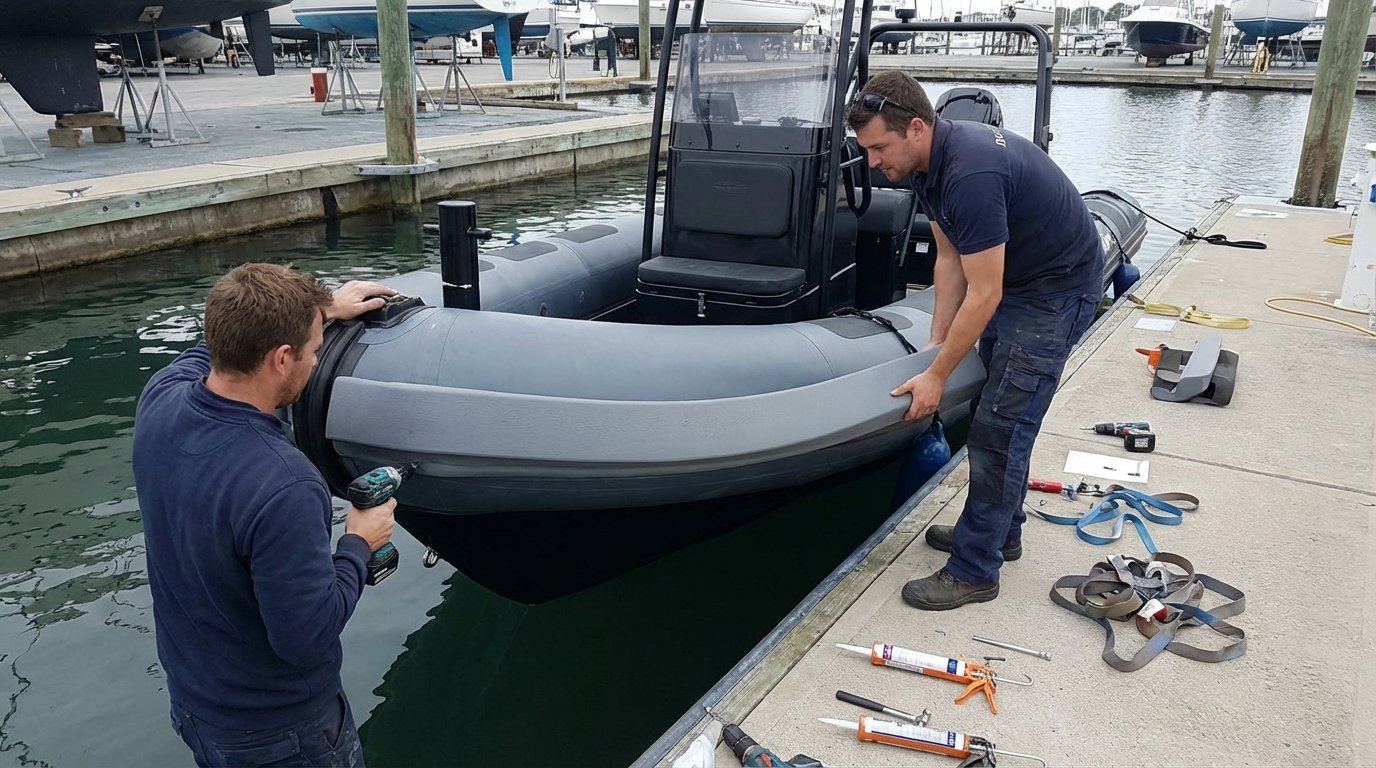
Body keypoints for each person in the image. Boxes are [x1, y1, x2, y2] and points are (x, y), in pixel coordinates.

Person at [846, 71, 1103, 611]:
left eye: (878, 148)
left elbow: (984, 294)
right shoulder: (924, 164)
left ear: (916, 128)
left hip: (1055, 291)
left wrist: (938, 377)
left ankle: (974, 570)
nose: (871, 161)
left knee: (998, 432)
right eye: (866, 150)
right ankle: (1000, 533)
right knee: (996, 412)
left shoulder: (971, 174)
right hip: (1018, 281)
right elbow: (948, 259)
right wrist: (937, 345)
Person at [133, 264, 399, 766]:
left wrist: (321, 308)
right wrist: (359, 544)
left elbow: (222, 338)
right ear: (281, 358)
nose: (317, 359)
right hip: (283, 734)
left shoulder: (160, 398)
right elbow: (304, 637)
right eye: (315, 350)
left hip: (198, 707)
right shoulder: (286, 483)